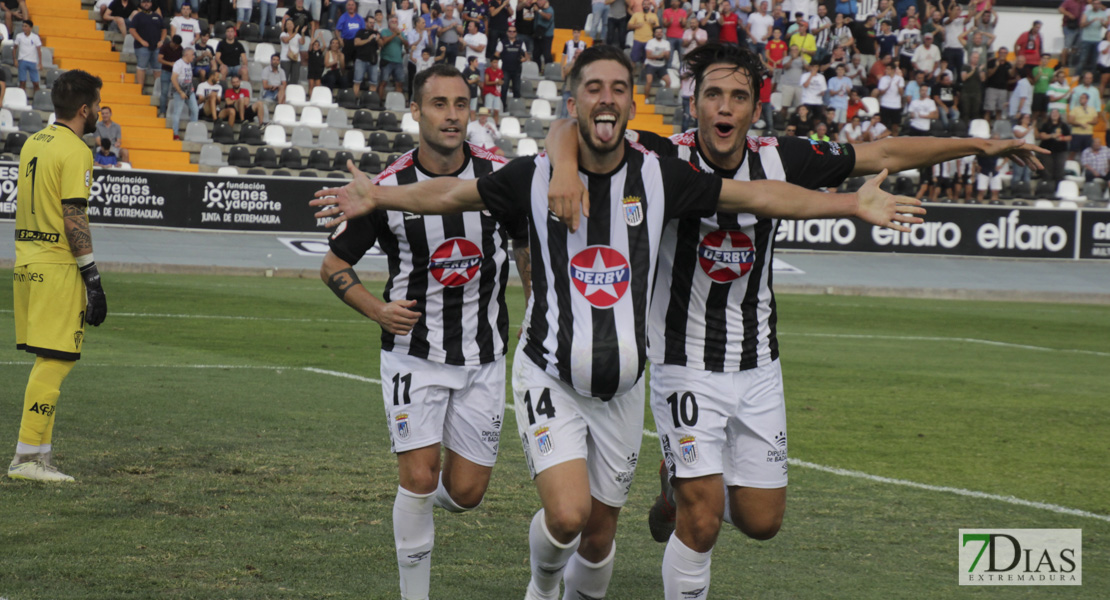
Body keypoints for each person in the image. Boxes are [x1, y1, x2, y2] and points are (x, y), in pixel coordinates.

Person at [312, 45, 926, 600]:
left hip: (626, 388)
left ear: (632, 103)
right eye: (593, 87)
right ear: (574, 100)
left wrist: (848, 201)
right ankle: (542, 586)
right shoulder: (531, 176)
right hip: (550, 372)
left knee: (600, 536)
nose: (606, 97)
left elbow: (760, 197)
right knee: (569, 517)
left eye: (617, 87)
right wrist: (382, 197)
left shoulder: (662, 175)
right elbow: (448, 196)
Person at [541, 43, 1046, 600]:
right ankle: (687, 496)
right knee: (704, 518)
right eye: (713, 94)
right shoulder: (661, 157)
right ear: (695, 104)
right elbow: (574, 127)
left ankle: (673, 489)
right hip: (680, 361)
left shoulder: (784, 157)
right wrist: (565, 166)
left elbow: (884, 152)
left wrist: (979, 145)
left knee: (762, 521)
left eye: (738, 96)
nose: (724, 107)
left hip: (758, 364)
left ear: (755, 109)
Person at [318, 63, 521, 600]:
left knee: (468, 493)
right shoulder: (384, 190)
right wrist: (376, 311)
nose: (451, 116)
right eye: (439, 104)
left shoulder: (500, 179)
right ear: (416, 110)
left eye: (460, 104)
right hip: (413, 354)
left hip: (485, 356)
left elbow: (529, 248)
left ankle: (420, 500)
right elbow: (334, 266)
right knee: (419, 477)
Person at [9, 69, 107, 483]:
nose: (100, 112)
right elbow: (73, 216)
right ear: (85, 109)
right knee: (57, 360)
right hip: (56, 265)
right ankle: (26, 457)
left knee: (50, 357)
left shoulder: (34, 141)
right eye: (98, 105)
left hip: (26, 261)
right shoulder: (75, 149)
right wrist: (93, 278)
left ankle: (39, 455)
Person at [168, 47, 198, 138]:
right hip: (180, 89)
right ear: (186, 54)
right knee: (178, 112)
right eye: (192, 54)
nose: (194, 56)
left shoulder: (188, 63)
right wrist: (180, 91)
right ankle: (175, 133)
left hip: (189, 89)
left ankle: (192, 132)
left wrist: (191, 87)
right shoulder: (178, 64)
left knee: (195, 110)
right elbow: (173, 78)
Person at [1039, 109, 1072, 183]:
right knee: (1047, 171)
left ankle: (1058, 188)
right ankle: (1048, 188)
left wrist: (1062, 138)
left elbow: (1069, 137)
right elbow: (1042, 136)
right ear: (1050, 115)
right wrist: (1051, 136)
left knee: (1060, 171)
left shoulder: (1064, 125)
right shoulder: (1046, 125)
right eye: (1053, 113)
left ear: (1059, 115)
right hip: (1047, 151)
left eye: (1056, 113)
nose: (1054, 114)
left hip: (1061, 151)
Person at [379, 14, 408, 98]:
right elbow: (384, 41)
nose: (394, 23)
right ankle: (379, 102)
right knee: (383, 82)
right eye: (392, 22)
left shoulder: (401, 33)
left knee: (399, 83)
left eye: (396, 22)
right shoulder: (385, 31)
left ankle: (397, 102)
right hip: (386, 60)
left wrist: (401, 37)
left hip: (398, 61)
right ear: (389, 23)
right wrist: (395, 34)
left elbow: (407, 45)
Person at [498, 24, 528, 103]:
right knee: (504, 89)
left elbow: (526, 56)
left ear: (516, 33)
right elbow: (496, 54)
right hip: (505, 69)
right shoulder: (502, 42)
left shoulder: (521, 42)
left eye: (513, 31)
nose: (512, 33)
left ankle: (516, 107)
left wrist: (524, 59)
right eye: (510, 31)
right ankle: (503, 107)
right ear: (507, 32)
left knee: (517, 89)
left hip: (517, 69)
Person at [352, 19, 380, 98]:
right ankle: (354, 100)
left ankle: (370, 101)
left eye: (373, 23)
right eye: (370, 22)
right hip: (361, 59)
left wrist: (378, 40)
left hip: (373, 61)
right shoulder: (361, 32)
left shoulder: (376, 33)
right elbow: (356, 42)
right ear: (366, 23)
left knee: (373, 83)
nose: (372, 24)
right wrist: (368, 39)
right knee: (357, 82)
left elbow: (382, 44)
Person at [644, 27, 673, 103]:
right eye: (657, 32)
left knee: (668, 81)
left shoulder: (666, 43)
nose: (659, 33)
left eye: (660, 32)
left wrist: (665, 55)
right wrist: (659, 55)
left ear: (662, 33)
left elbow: (667, 57)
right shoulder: (650, 42)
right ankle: (646, 98)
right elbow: (648, 56)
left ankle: (665, 97)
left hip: (661, 65)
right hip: (650, 64)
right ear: (654, 33)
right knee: (649, 81)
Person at [13, 19, 41, 95]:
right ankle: (21, 99)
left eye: (26, 26)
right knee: (22, 82)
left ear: (30, 28)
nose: (24, 28)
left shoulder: (35, 37)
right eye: (23, 26)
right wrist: (15, 60)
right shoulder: (19, 36)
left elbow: (39, 50)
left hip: (32, 61)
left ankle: (37, 99)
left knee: (36, 83)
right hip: (22, 60)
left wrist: (40, 63)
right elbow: (15, 48)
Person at [335, 0, 365, 70]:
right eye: (349, 5)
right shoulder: (343, 17)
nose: (351, 7)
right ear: (346, 7)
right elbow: (337, 30)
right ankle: (344, 77)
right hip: (347, 42)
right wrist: (340, 40)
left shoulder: (360, 18)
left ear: (355, 7)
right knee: (344, 61)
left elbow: (363, 31)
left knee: (358, 62)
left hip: (357, 42)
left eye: (352, 5)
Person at [1069, 93, 1099, 158]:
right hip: (1076, 134)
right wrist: (1080, 124)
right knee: (1073, 151)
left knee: (1087, 152)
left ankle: (1085, 167)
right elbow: (1070, 121)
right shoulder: (1075, 109)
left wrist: (1088, 122)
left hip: (1088, 134)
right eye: (1080, 98)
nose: (1080, 99)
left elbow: (1096, 121)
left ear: (1087, 100)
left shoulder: (1092, 109)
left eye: (1082, 98)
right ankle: (1069, 166)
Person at [279, 19, 304, 86]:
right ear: (285, 26)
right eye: (288, 24)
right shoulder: (283, 34)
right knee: (284, 78)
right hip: (285, 58)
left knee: (295, 79)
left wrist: (303, 33)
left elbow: (302, 42)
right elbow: (286, 40)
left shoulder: (298, 35)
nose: (290, 25)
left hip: (296, 58)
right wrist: (294, 33)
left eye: (291, 23)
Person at [482, 56, 503, 120]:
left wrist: (501, 82)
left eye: (497, 62)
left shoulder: (500, 71)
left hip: (497, 92)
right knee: (488, 110)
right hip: (489, 92)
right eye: (494, 62)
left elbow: (501, 80)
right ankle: (486, 125)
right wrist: (496, 82)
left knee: (496, 111)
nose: (496, 64)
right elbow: (487, 82)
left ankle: (495, 126)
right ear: (491, 63)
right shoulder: (488, 70)